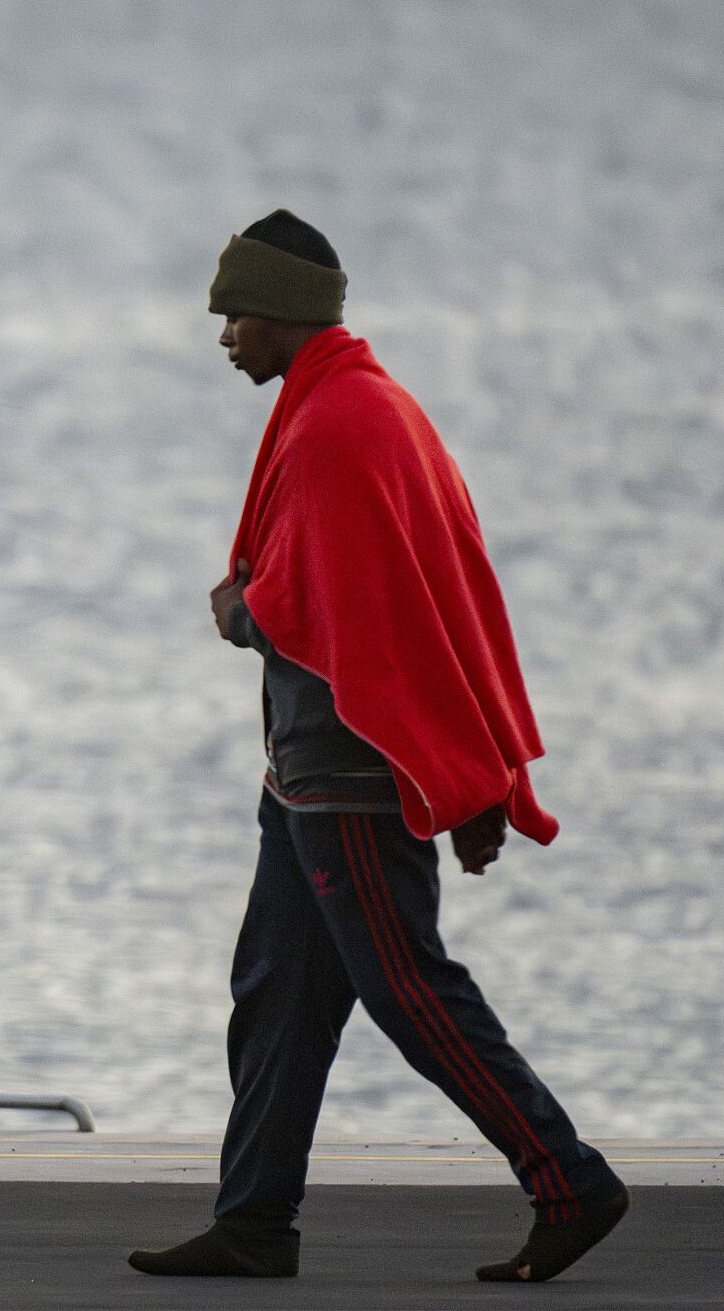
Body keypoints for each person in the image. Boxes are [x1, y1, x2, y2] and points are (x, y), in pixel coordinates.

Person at [127, 210, 628, 1284]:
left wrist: (240, 610)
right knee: (276, 994)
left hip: (348, 776)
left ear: (286, 315)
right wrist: (473, 764)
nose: (221, 337)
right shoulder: (367, 406)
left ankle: (566, 1180)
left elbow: (327, 604)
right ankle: (252, 1222)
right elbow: (427, 594)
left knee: (409, 991)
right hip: (305, 775)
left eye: (234, 314)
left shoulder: (337, 427)